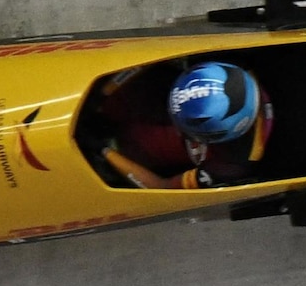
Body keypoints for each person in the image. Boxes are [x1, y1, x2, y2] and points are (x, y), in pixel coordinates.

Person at [94, 56, 274, 188]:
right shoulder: (222, 60)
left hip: (136, 151)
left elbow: (163, 187)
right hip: (140, 98)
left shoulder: (234, 164)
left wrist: (104, 152)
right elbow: (155, 56)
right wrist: (103, 92)